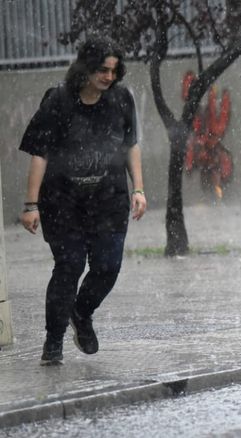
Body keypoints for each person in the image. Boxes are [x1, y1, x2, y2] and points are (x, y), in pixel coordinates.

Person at [19, 37, 147, 366]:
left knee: (107, 266)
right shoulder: (59, 101)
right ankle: (53, 341)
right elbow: (40, 153)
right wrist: (30, 205)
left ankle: (81, 311)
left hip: (109, 201)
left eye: (114, 70)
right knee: (69, 267)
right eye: (102, 70)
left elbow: (131, 145)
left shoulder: (121, 99)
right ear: (85, 68)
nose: (108, 77)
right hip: (63, 203)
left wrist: (139, 189)